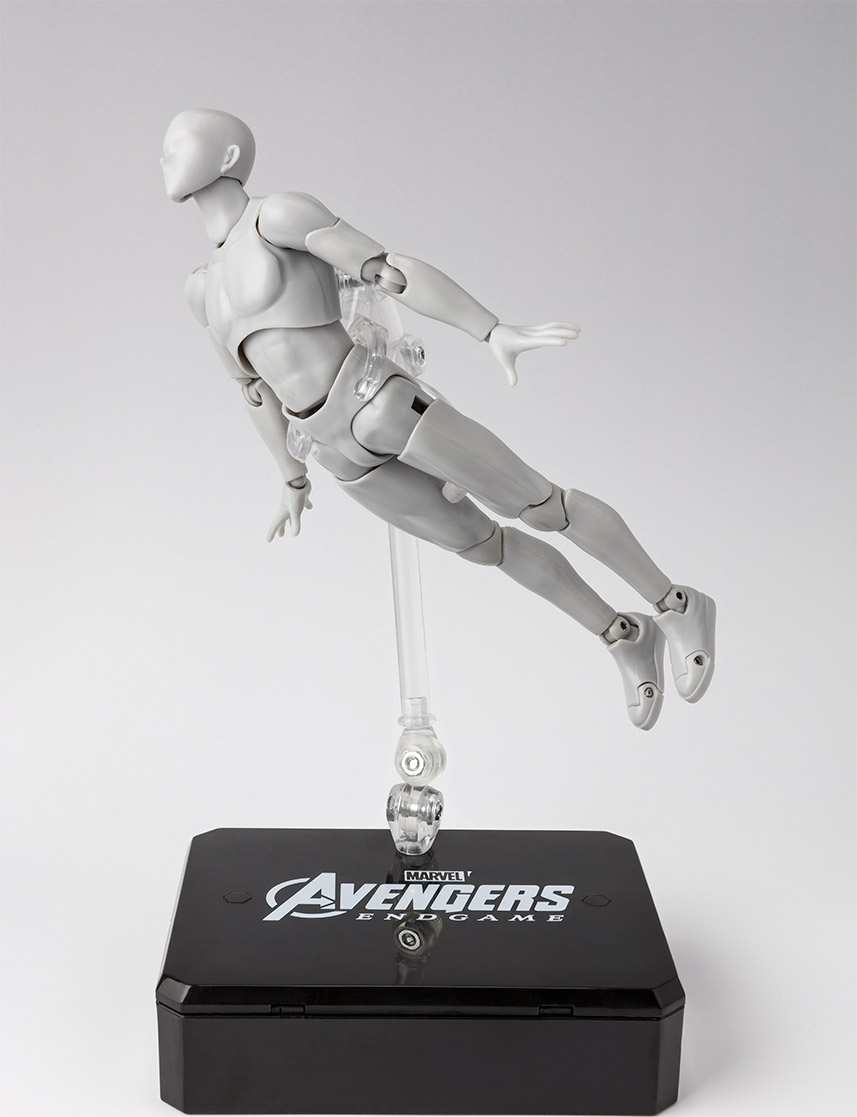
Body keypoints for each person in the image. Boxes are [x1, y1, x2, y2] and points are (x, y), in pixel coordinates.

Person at [162, 108, 715, 729]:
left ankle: (676, 602)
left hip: (375, 400)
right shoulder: (200, 288)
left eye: (179, 141)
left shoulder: (278, 216)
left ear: (228, 157)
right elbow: (253, 391)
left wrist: (490, 329)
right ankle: (622, 636)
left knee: (539, 505)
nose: (164, 155)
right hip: (335, 453)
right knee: (486, 547)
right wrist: (291, 478)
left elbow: (388, 270)